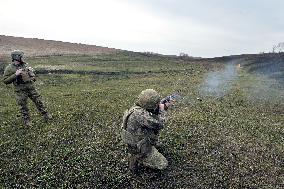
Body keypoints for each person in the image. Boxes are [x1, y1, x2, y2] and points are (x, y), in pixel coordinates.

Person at [121, 89, 174, 174]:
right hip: (139, 148)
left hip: (134, 141)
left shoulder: (136, 109)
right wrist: (163, 109)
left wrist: (158, 106)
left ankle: (140, 152)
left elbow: (149, 113)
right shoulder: (142, 116)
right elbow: (160, 124)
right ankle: (139, 158)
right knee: (163, 164)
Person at [2, 50, 51, 126]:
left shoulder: (25, 65)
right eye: (21, 56)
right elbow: (5, 81)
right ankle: (27, 120)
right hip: (20, 90)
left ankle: (46, 114)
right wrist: (15, 74)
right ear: (16, 57)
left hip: (31, 88)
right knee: (23, 106)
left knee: (39, 101)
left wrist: (32, 73)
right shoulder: (9, 68)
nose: (23, 58)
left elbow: (33, 77)